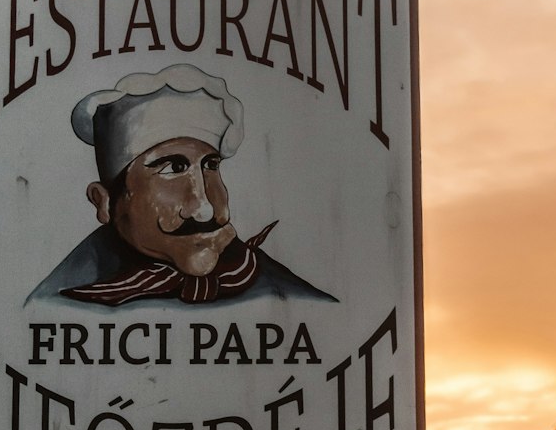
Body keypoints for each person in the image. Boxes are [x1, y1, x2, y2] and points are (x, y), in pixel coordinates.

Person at [27, 64, 335, 307]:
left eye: (211, 166)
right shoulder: (55, 302)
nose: (205, 208)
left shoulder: (293, 298)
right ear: (104, 202)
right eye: (173, 168)